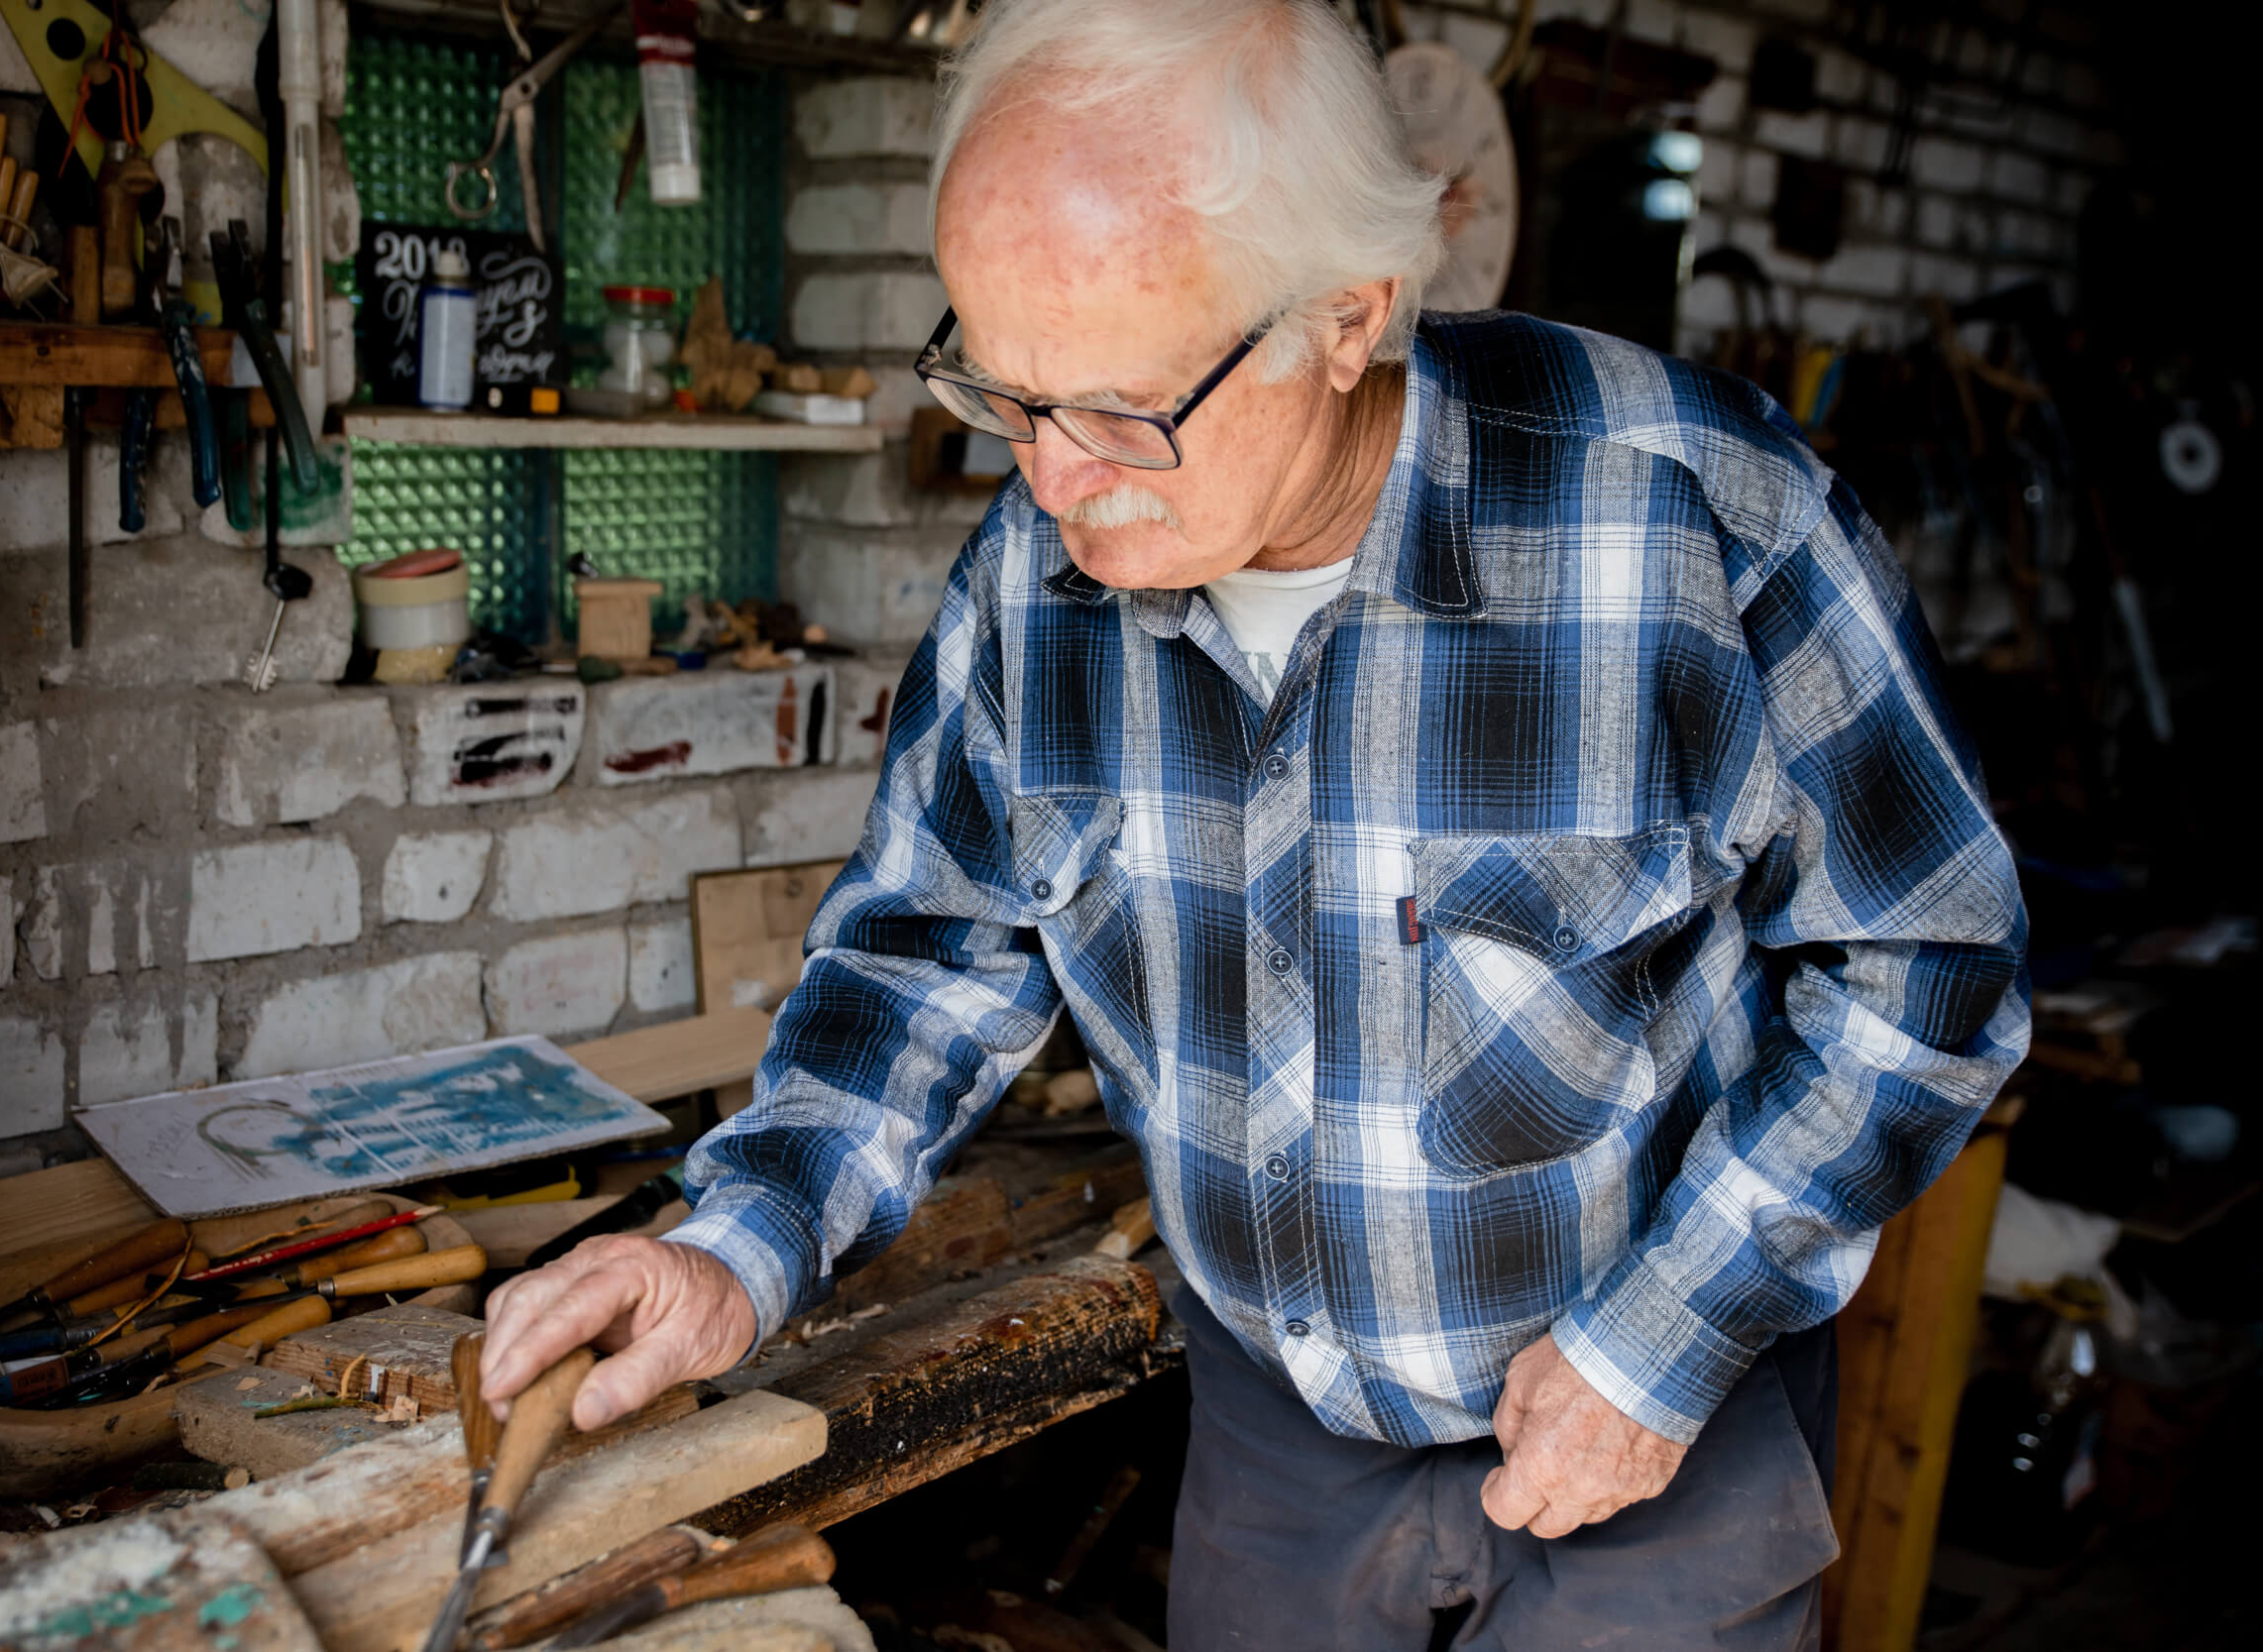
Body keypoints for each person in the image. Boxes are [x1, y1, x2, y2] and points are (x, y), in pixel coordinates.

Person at [479, 2, 2030, 1645]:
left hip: (1655, 1422)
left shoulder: (1691, 513)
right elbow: (932, 952)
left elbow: (1927, 960)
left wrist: (1663, 1337)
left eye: (1122, 407)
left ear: (1348, 317)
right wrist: (737, 1243)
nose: (1054, 482)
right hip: (1284, 1446)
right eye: (1005, 393)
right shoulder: (1039, 569)